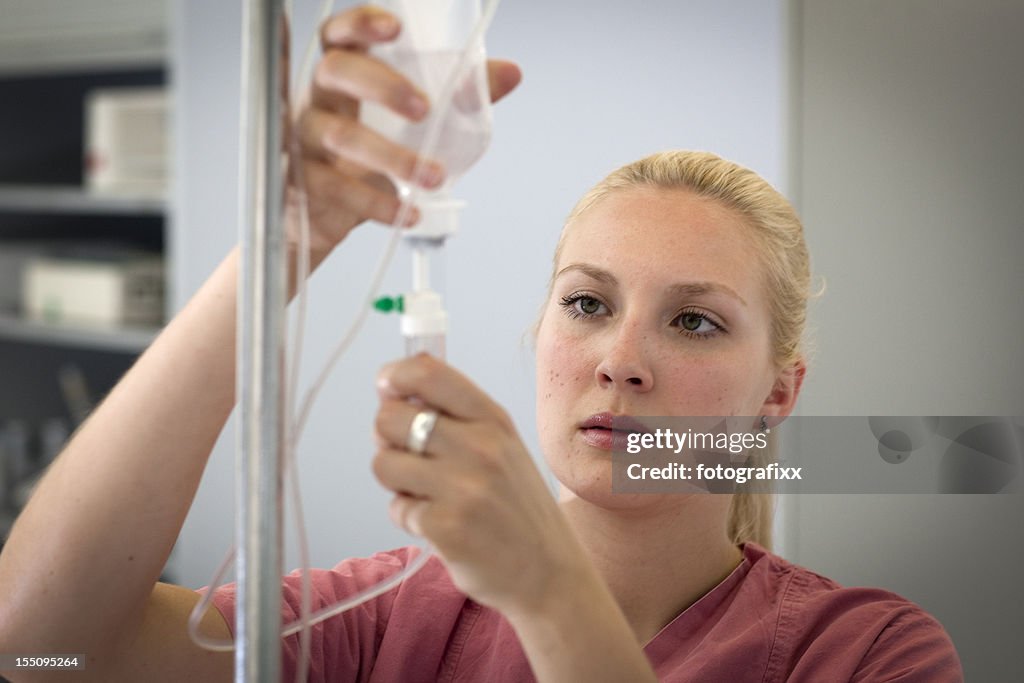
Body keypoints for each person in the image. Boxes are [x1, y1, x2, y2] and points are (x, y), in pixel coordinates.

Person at [0, 5, 962, 682]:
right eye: (587, 304)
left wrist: (550, 593)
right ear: (540, 329)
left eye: (695, 320)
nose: (620, 357)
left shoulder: (866, 652)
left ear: (777, 394)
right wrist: (283, 239)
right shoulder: (387, 618)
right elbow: (42, 648)